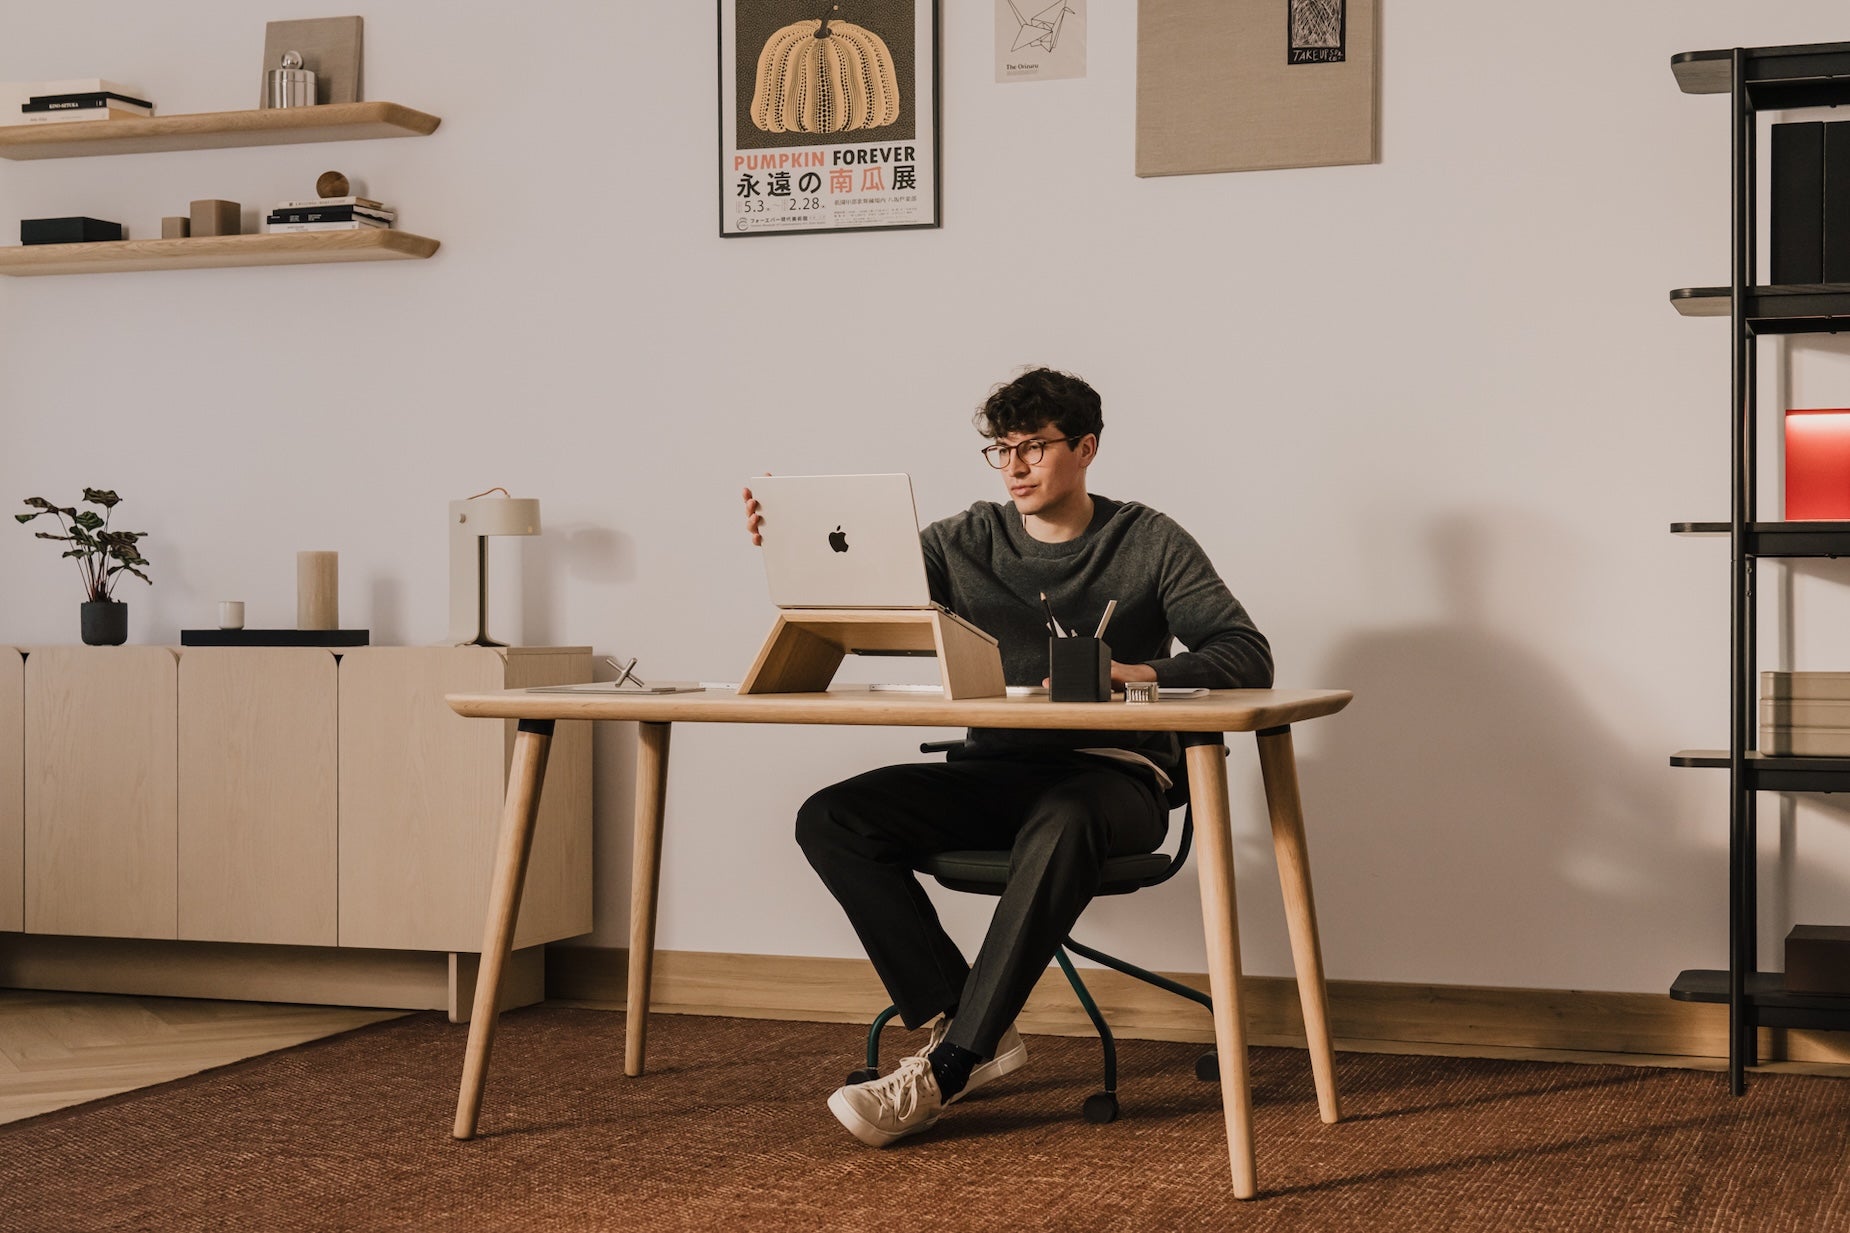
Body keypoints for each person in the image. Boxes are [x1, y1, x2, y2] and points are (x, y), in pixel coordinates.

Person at [741, 366, 1272, 1147]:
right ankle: (964, 1013)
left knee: (1065, 816)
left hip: (1114, 778)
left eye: (1034, 447)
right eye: (1002, 449)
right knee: (832, 817)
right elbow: (862, 602)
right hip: (995, 770)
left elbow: (1247, 653)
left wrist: (1137, 672)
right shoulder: (966, 540)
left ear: (1085, 448)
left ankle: (954, 1062)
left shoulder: (1148, 540)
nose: (1015, 466)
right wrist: (793, 546)